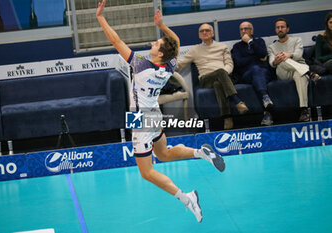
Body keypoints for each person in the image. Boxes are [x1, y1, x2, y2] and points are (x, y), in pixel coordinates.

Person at [96, 0, 225, 223]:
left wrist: (100, 17)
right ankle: (200, 153)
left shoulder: (140, 64)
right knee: (163, 153)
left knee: (146, 172)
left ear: (159, 54)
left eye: (156, 44)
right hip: (154, 112)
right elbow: (175, 42)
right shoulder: (168, 66)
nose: (153, 43)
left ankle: (188, 198)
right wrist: (162, 26)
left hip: (140, 119)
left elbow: (115, 40)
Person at [176, 23, 249, 130]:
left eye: (207, 30)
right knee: (219, 73)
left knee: (218, 83)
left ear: (213, 33)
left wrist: (224, 74)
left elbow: (229, 64)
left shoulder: (222, 46)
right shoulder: (195, 50)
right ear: (199, 35)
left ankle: (227, 117)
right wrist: (164, 66)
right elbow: (180, 64)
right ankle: (237, 101)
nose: (204, 32)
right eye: (202, 31)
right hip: (205, 80)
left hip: (223, 77)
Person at [268, 18, 320, 122]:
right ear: (275, 30)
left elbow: (298, 55)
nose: (280, 29)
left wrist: (289, 55)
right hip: (283, 72)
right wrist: (276, 60)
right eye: (278, 27)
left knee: (299, 75)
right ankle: (309, 73)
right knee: (282, 60)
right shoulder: (272, 47)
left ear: (287, 29)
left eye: (282, 27)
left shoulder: (297, 40)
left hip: (298, 69)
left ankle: (304, 110)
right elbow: (271, 63)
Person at [231, 21, 274, 126]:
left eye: (246, 29)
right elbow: (239, 63)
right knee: (255, 68)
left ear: (252, 30)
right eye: (241, 29)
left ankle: (267, 108)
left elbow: (263, 54)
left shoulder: (259, 42)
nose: (243, 31)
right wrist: (256, 58)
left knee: (258, 72)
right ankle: (265, 98)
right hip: (246, 75)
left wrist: (250, 42)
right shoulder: (237, 47)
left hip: (263, 73)